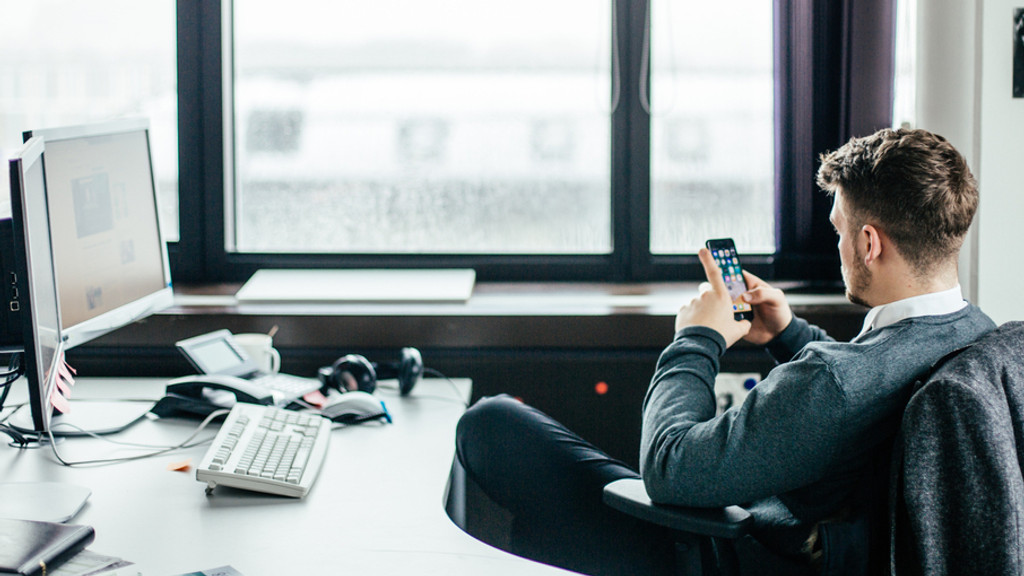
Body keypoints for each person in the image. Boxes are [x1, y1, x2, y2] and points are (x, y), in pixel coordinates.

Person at [455, 128, 995, 576]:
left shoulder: (833, 383)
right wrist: (789, 334)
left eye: (839, 230)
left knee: (492, 425)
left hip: (723, 554)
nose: (837, 245)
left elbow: (669, 467)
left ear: (870, 244)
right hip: (806, 542)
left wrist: (697, 336)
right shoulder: (975, 334)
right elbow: (874, 384)